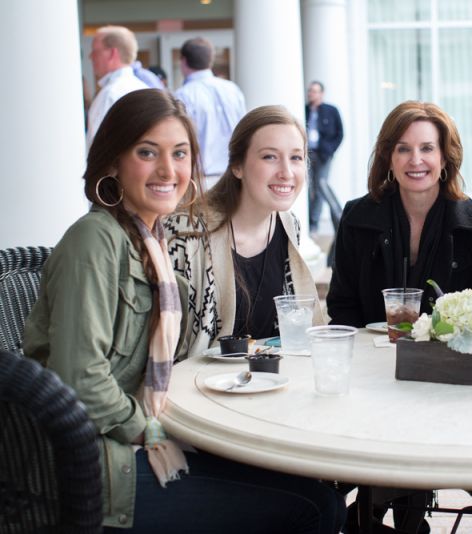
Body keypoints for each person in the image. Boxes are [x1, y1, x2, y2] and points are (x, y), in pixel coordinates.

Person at [23, 89, 344, 532]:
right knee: (314, 505)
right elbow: (81, 380)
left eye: (179, 154)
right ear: (112, 161)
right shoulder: (96, 240)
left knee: (307, 484)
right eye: (147, 152)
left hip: (133, 440)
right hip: (94, 469)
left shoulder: (145, 240)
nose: (167, 170)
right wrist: (155, 430)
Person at [166, 105, 325, 358]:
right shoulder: (186, 233)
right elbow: (164, 340)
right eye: (269, 157)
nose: (286, 172)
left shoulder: (288, 223)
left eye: (296, 157)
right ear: (237, 167)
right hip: (199, 385)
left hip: (270, 378)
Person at [327, 101, 472, 327]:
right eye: (403, 149)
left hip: (449, 357)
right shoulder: (356, 218)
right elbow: (342, 306)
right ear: (389, 158)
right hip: (371, 355)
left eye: (427, 148)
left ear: (444, 157)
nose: (415, 160)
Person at [175, 36, 246, 188]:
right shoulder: (232, 89)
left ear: (183, 60)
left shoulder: (183, 95)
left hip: (201, 180)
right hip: (234, 176)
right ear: (210, 60)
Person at [86, 25, 148, 147]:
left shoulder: (109, 94)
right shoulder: (144, 89)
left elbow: (97, 147)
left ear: (112, 53)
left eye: (95, 51)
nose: (90, 57)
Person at [305, 81, 344, 234]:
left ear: (321, 93)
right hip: (307, 154)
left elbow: (340, 134)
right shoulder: (304, 110)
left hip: (323, 155)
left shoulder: (331, 110)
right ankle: (307, 220)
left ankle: (314, 223)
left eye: (314, 91)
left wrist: (330, 150)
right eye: (310, 91)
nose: (311, 94)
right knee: (307, 188)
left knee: (321, 187)